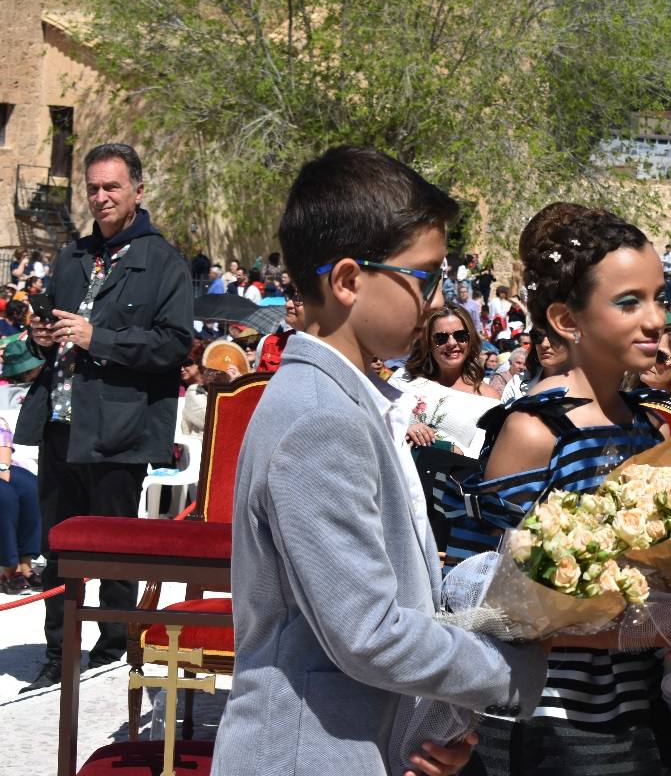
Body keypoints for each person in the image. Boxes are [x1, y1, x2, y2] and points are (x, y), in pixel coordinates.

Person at [211, 146, 548, 776]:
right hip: (308, 752)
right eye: (424, 277)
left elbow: (390, 589)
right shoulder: (320, 417)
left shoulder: (354, 397)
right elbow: (367, 631)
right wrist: (510, 672)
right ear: (347, 281)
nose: (438, 298)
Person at [456, 202, 671, 776]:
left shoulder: (653, 424)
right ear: (566, 319)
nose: (656, 320)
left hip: (646, 712)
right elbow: (494, 608)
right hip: (562, 718)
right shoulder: (535, 430)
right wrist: (638, 630)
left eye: (660, 296)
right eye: (629, 302)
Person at [16, 143, 193, 692]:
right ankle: (57, 648)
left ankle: (115, 641)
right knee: (55, 546)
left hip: (120, 427)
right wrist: (41, 337)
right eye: (93, 188)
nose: (100, 197)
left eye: (111, 187)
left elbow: (174, 345)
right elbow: (51, 338)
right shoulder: (72, 257)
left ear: (138, 191)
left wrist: (100, 339)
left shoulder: (162, 261)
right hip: (59, 423)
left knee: (114, 544)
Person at [393, 304, 500, 458]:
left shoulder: (489, 399)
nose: (451, 343)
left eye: (460, 335)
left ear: (470, 340)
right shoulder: (403, 381)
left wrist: (453, 450)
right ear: (428, 344)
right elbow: (376, 425)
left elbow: (486, 458)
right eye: (441, 338)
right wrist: (402, 429)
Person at [0, 340, 42, 594]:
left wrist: (3, 464)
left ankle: (27, 563)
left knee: (29, 487)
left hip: (2, 462)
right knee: (4, 497)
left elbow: (3, 433)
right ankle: (9, 567)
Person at [500, 327, 569, 403]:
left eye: (554, 335)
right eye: (537, 336)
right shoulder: (517, 382)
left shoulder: (583, 384)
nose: (544, 344)